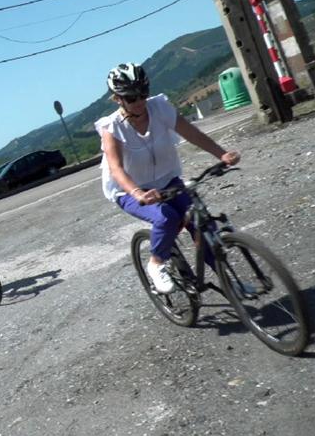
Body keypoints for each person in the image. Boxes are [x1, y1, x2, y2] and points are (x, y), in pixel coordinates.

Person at [95, 63, 240, 294]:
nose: (140, 100)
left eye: (143, 92)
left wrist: (221, 154)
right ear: (117, 99)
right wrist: (138, 193)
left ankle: (232, 285)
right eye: (131, 97)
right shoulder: (112, 128)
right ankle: (156, 264)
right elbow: (116, 169)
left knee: (202, 225)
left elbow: (192, 133)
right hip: (130, 191)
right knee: (167, 219)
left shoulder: (160, 108)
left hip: (167, 180)